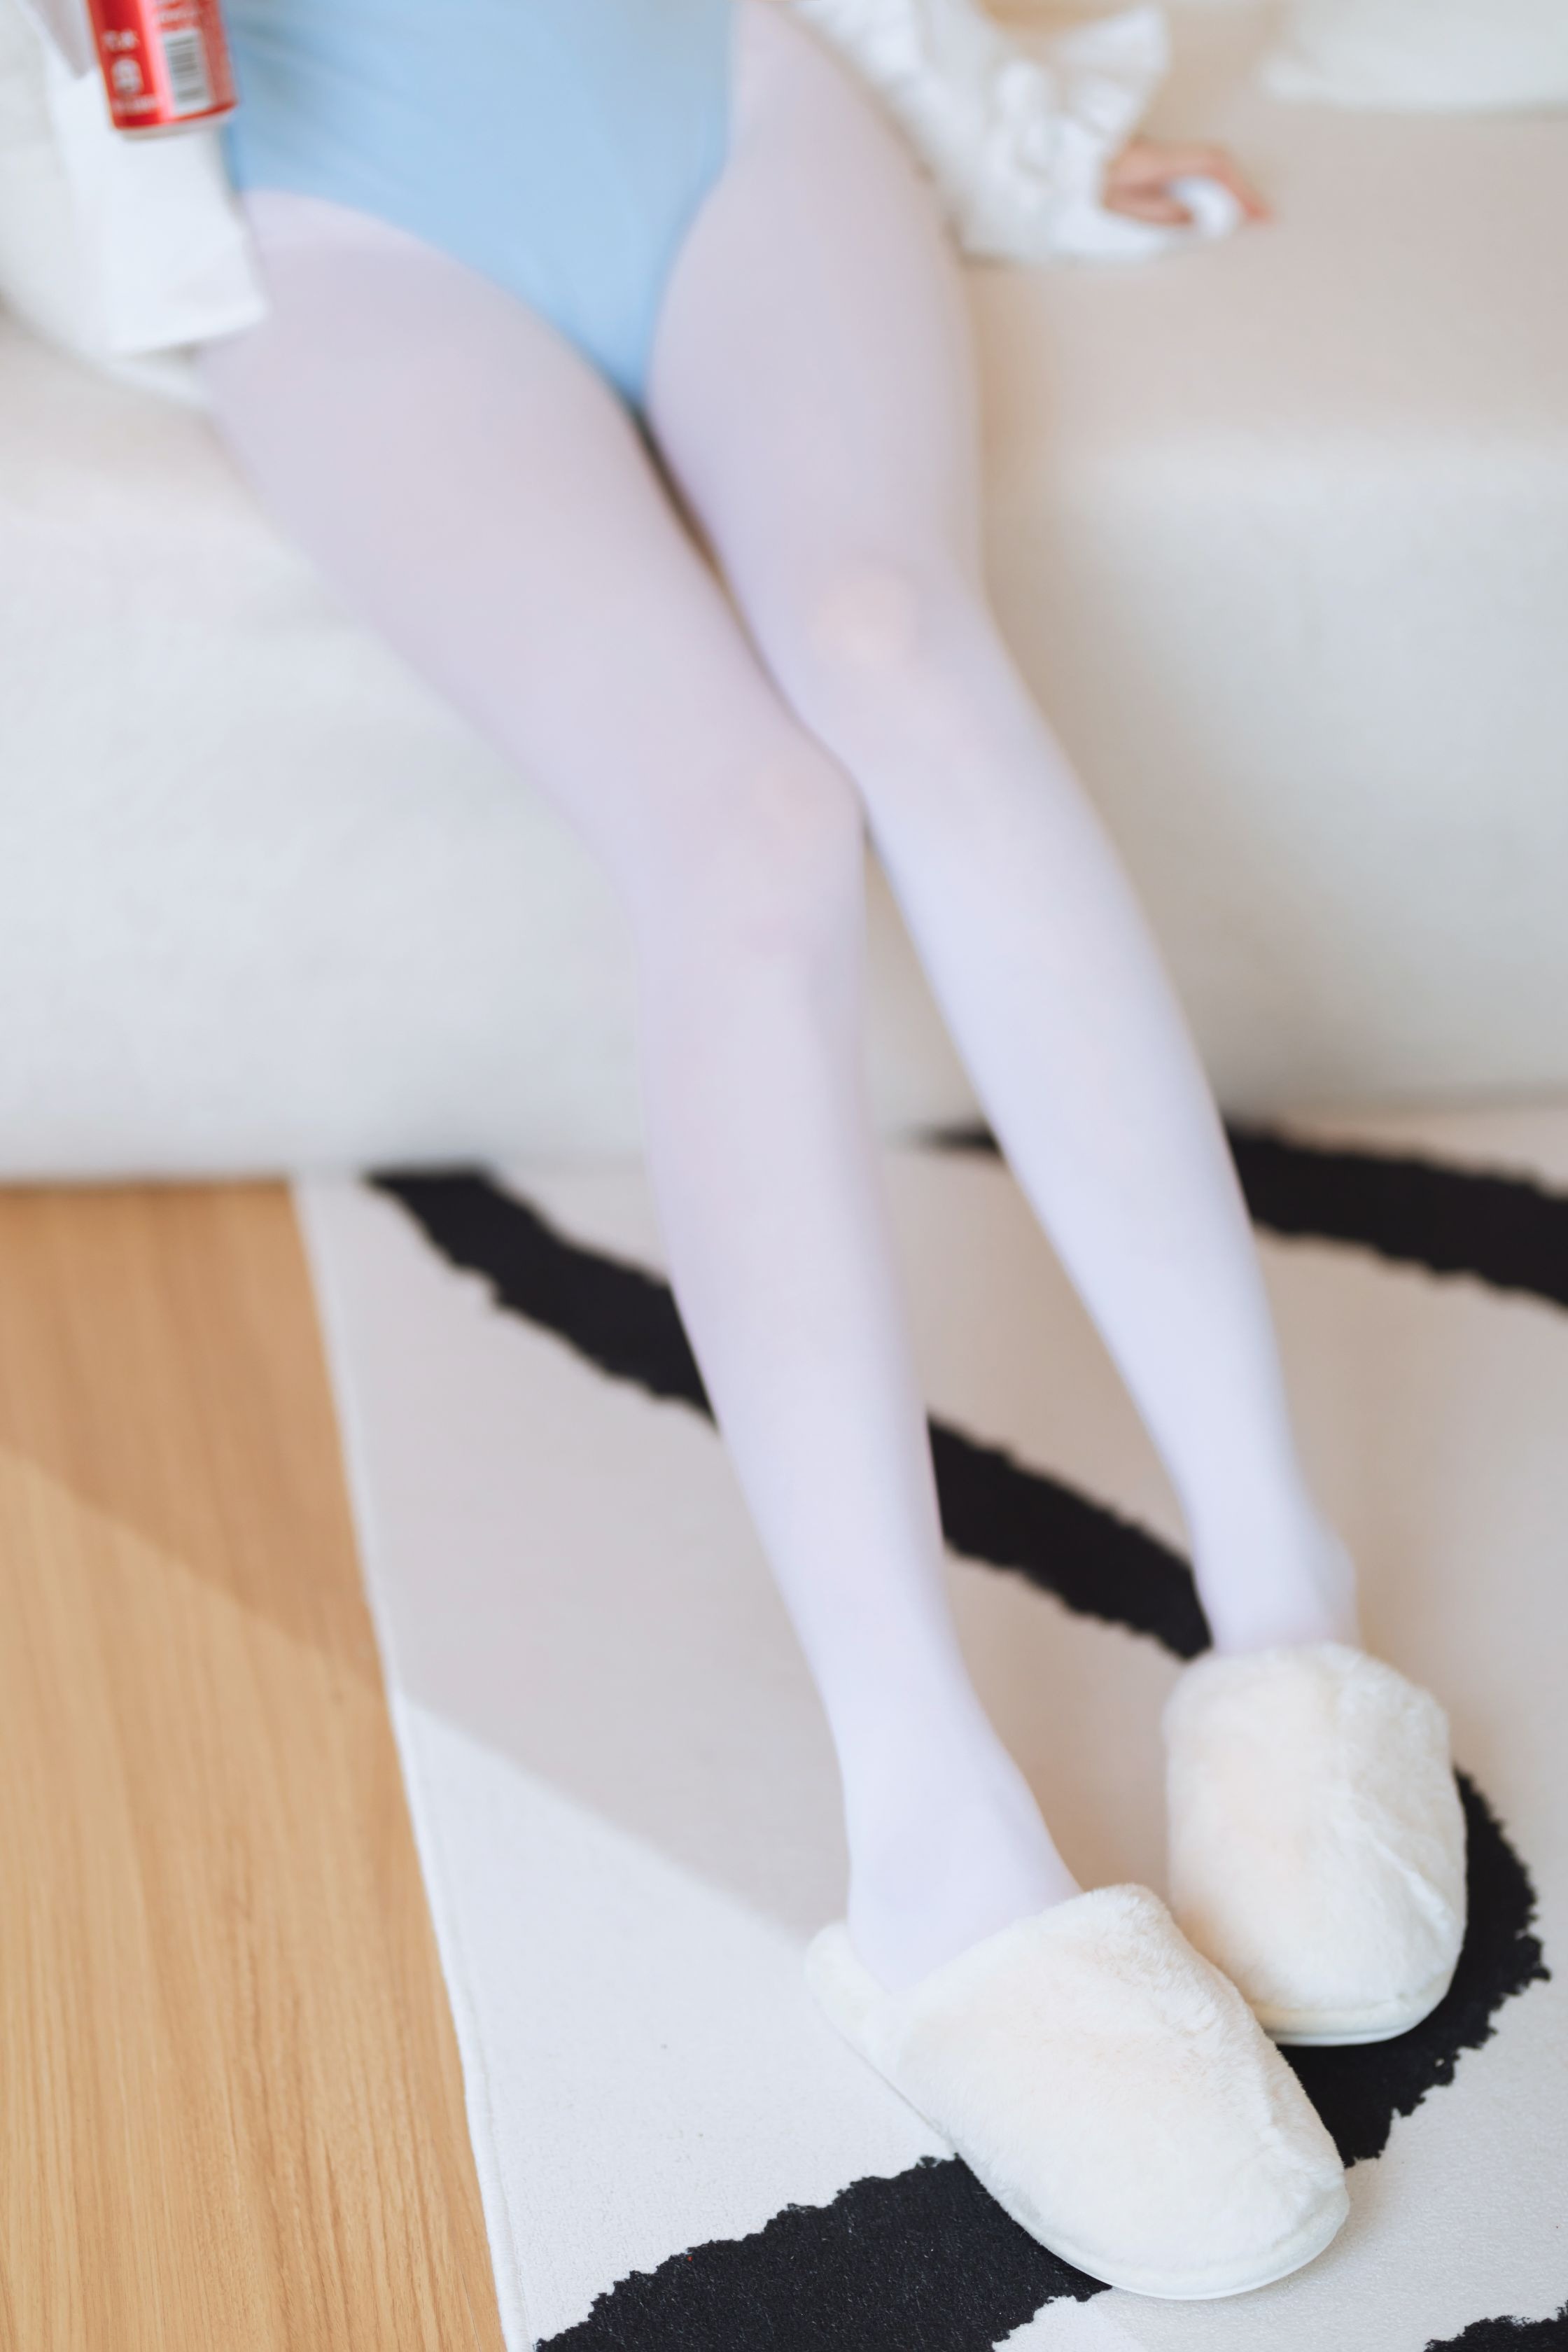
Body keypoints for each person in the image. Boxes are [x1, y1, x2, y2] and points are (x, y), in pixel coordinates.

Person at [202, 0, 1465, 2297]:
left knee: (900, 654)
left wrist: (1019, 140)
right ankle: (930, 1842)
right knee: (750, 828)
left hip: (718, 95)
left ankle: (1285, 1598)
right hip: (333, 211)